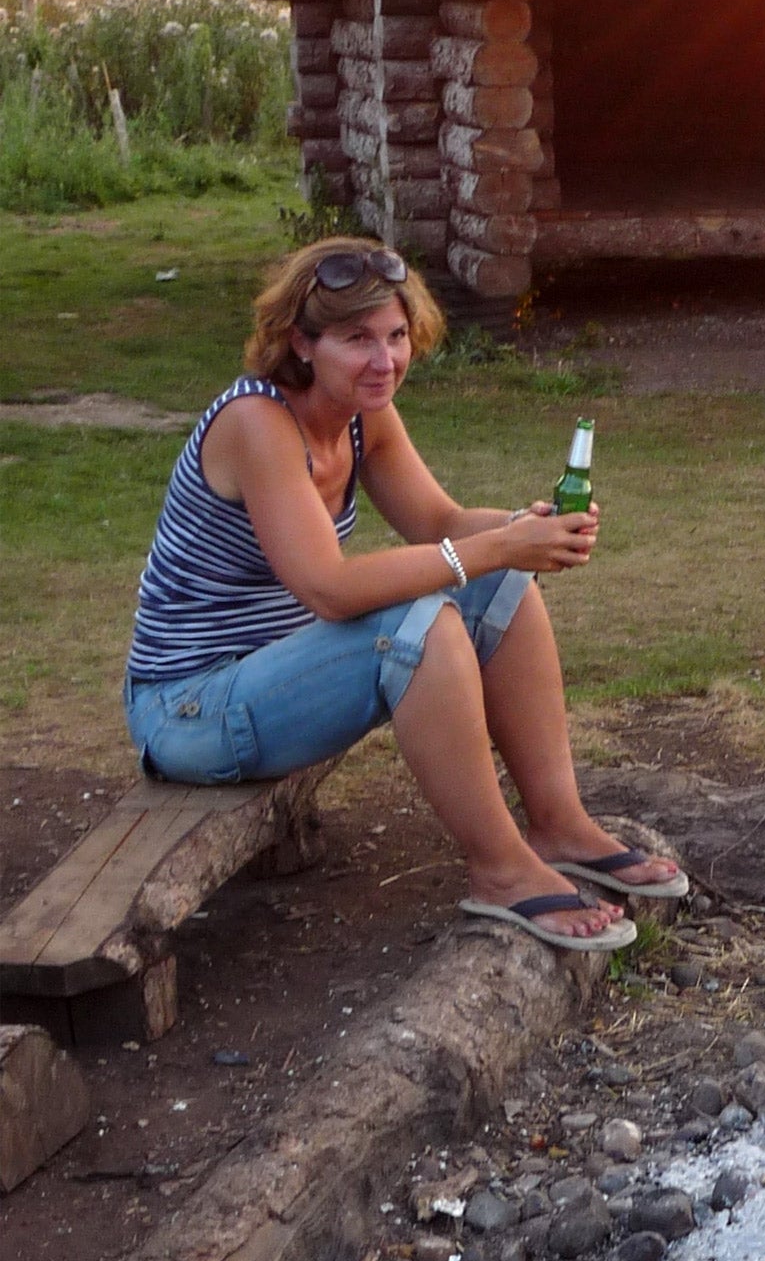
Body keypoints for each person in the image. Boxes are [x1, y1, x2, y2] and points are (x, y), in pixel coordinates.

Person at [124, 236, 687, 952]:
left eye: (396, 336)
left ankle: (557, 823)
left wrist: (525, 531)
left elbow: (443, 525)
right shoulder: (256, 424)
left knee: (499, 579)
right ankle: (501, 873)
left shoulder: (362, 413)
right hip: (187, 710)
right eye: (357, 340)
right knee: (418, 627)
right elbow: (329, 589)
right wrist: (489, 548)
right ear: (302, 342)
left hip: (278, 675)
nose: (385, 360)